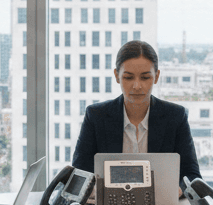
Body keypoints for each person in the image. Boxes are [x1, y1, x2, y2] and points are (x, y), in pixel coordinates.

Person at [72, 40, 201, 185]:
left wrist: (176, 191)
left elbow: (192, 175)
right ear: (116, 76)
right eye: (128, 77)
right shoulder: (96, 115)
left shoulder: (176, 116)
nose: (137, 86)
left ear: (157, 76)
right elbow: (79, 173)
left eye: (145, 78)